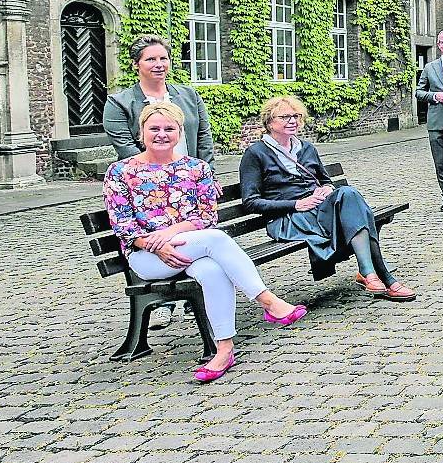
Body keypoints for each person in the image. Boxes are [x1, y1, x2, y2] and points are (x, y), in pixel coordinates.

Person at [104, 102, 306, 383]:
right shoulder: (120, 171)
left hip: (191, 249)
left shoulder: (196, 168)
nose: (161, 134)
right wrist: (157, 244)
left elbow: (206, 216)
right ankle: (267, 301)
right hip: (147, 257)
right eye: (154, 128)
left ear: (179, 132)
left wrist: (170, 233)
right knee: (215, 239)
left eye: (169, 128)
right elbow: (123, 226)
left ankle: (224, 349)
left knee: (211, 269)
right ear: (141, 132)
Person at [240, 95, 417, 300]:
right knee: (359, 214)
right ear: (269, 122)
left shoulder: (305, 147)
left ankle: (370, 274)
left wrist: (325, 188)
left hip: (317, 210)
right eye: (285, 117)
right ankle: (383, 277)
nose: (293, 121)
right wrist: (297, 204)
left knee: (349, 195)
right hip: (288, 218)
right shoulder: (256, 153)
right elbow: (251, 202)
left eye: (296, 116)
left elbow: (325, 180)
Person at [103, 33, 217, 331]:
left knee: (191, 235)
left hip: (189, 186)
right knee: (161, 238)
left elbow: (203, 138)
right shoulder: (120, 102)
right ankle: (164, 301)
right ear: (136, 64)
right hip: (148, 192)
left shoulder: (188, 96)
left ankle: (202, 296)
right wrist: (159, 178)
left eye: (163, 58)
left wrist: (207, 174)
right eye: (150, 59)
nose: (158, 64)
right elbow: (127, 148)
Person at [416, 30, 443, 213]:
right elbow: (419, 92)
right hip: (437, 121)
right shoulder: (429, 67)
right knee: (441, 163)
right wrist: (435, 96)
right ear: (439, 45)